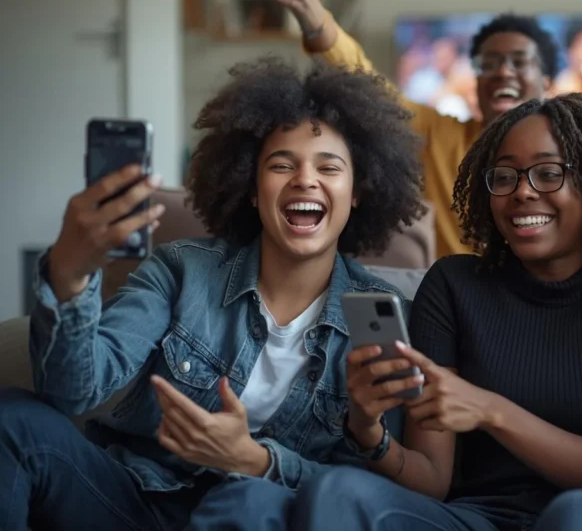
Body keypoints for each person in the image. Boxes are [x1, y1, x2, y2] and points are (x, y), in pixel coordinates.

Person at [190, 94, 582, 531]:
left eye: (549, 173)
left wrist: (489, 410)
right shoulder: (456, 285)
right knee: (338, 489)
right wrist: (368, 431)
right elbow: (431, 481)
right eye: (504, 176)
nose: (522, 192)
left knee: (579, 515)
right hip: (474, 519)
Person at [0, 56, 425, 530]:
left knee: (246, 502)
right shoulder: (182, 269)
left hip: (258, 514)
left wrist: (257, 462)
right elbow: (71, 392)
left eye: (329, 167)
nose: (305, 179)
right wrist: (69, 277)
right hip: (135, 501)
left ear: (358, 192)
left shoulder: (381, 315)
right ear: (249, 187)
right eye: (281, 164)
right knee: (11, 418)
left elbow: (370, 495)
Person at [251, 0, 559, 259]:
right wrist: (308, 6)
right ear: (474, 80)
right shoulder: (437, 134)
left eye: (519, 62)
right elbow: (363, 81)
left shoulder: (568, 151)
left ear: (546, 81)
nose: (503, 72)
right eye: (488, 64)